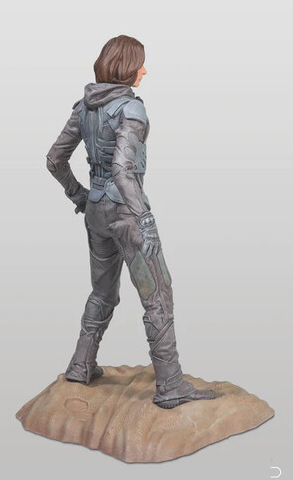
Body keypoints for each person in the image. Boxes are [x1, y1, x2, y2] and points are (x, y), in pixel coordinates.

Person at [46, 35, 215, 409]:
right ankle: (170, 386)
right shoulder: (131, 109)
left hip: (95, 211)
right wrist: (146, 219)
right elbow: (123, 169)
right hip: (127, 214)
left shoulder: (83, 108)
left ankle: (80, 366)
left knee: (102, 293)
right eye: (140, 63)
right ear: (127, 68)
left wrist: (79, 195)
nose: (144, 70)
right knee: (158, 296)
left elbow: (55, 159)